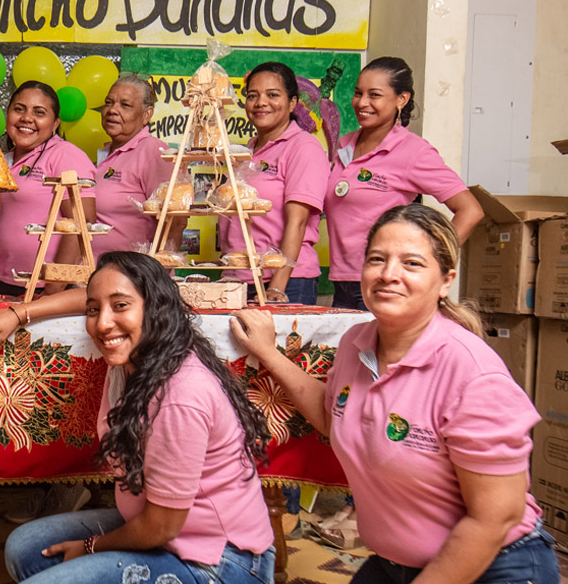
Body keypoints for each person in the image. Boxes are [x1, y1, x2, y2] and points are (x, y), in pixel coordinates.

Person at [232, 204, 556, 583]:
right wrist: (269, 353)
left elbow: (494, 518)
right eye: (377, 259)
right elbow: (332, 412)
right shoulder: (357, 342)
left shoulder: (471, 373)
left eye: (412, 263)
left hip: (494, 564)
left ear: (446, 280)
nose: (389, 275)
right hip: (393, 563)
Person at [5, 251, 275, 584]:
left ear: (156, 310)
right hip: (166, 535)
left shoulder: (179, 396)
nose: (103, 323)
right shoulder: (136, 360)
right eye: (94, 310)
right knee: (25, 547)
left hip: (220, 562)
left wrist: (93, 546)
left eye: (120, 306)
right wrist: (19, 313)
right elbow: (92, 295)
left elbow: (161, 526)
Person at [324, 57, 482, 310]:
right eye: (358, 93)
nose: (362, 103)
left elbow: (470, 210)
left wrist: (433, 261)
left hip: (385, 283)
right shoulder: (344, 145)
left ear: (402, 99)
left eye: (374, 95)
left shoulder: (412, 151)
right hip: (343, 282)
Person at [219, 62, 330, 304]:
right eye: (252, 95)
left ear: (292, 103)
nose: (261, 103)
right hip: (239, 279)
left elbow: (298, 222)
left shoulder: (303, 147)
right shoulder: (245, 152)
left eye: (272, 95)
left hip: (284, 280)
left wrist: (277, 288)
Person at [0, 80, 97, 298]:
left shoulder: (65, 154)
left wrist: (54, 287)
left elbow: (82, 222)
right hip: (3, 282)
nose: (26, 118)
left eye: (39, 112)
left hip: (48, 289)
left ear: (55, 122)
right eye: (19, 109)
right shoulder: (0, 160)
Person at [91, 75, 177, 256]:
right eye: (108, 102)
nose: (113, 110)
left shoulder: (154, 151)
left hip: (134, 275)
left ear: (147, 115)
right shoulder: (106, 153)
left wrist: (158, 272)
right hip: (96, 273)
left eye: (125, 105)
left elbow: (175, 219)